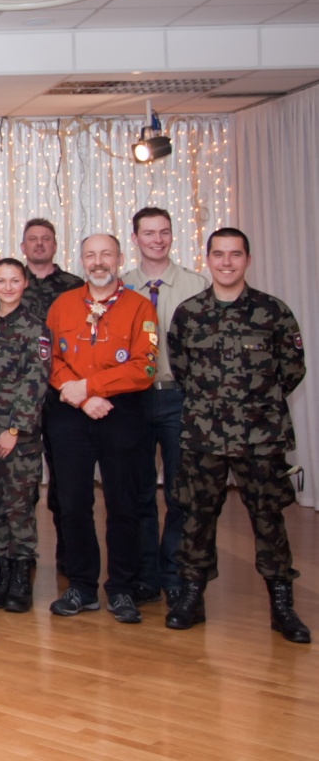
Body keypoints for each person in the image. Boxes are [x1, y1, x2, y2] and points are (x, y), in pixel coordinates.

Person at [166, 228, 310, 643]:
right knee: (197, 519)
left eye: (235, 255)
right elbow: (182, 370)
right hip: (203, 435)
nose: (226, 263)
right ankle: (192, 597)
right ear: (207, 259)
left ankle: (282, 606)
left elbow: (292, 369)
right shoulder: (189, 313)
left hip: (261, 438)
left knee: (269, 521)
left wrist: (254, 404)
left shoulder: (272, 312)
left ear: (248, 259)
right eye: (219, 255)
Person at [44, 234, 157, 624]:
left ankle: (122, 588)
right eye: (90, 255)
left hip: (121, 411)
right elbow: (51, 359)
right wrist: (78, 396)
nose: (98, 262)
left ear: (120, 258)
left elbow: (144, 366)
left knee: (123, 503)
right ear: (81, 260)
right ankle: (81, 586)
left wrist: (92, 388)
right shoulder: (62, 304)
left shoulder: (140, 306)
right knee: (73, 503)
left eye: (106, 254)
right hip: (71, 412)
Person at [124, 206, 208, 605]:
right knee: (138, 492)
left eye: (164, 232)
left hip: (180, 396)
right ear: (135, 238)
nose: (157, 240)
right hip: (133, 399)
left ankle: (175, 573)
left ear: (172, 236)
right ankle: (146, 575)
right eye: (148, 233)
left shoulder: (197, 284)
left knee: (180, 492)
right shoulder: (120, 288)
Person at [0, 259, 51, 614]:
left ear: (24, 284)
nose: (7, 286)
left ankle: (21, 578)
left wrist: (13, 429)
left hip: (16, 436)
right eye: (1, 280)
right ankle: (2, 574)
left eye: (14, 280)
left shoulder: (33, 327)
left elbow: (34, 383)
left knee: (18, 507)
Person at [19, 218, 85, 573]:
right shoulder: (13, 285)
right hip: (21, 399)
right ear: (23, 246)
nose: (40, 245)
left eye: (46, 239)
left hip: (65, 395)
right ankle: (22, 557)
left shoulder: (75, 287)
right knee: (22, 483)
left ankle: (68, 555)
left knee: (66, 483)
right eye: (33, 239)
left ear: (56, 245)